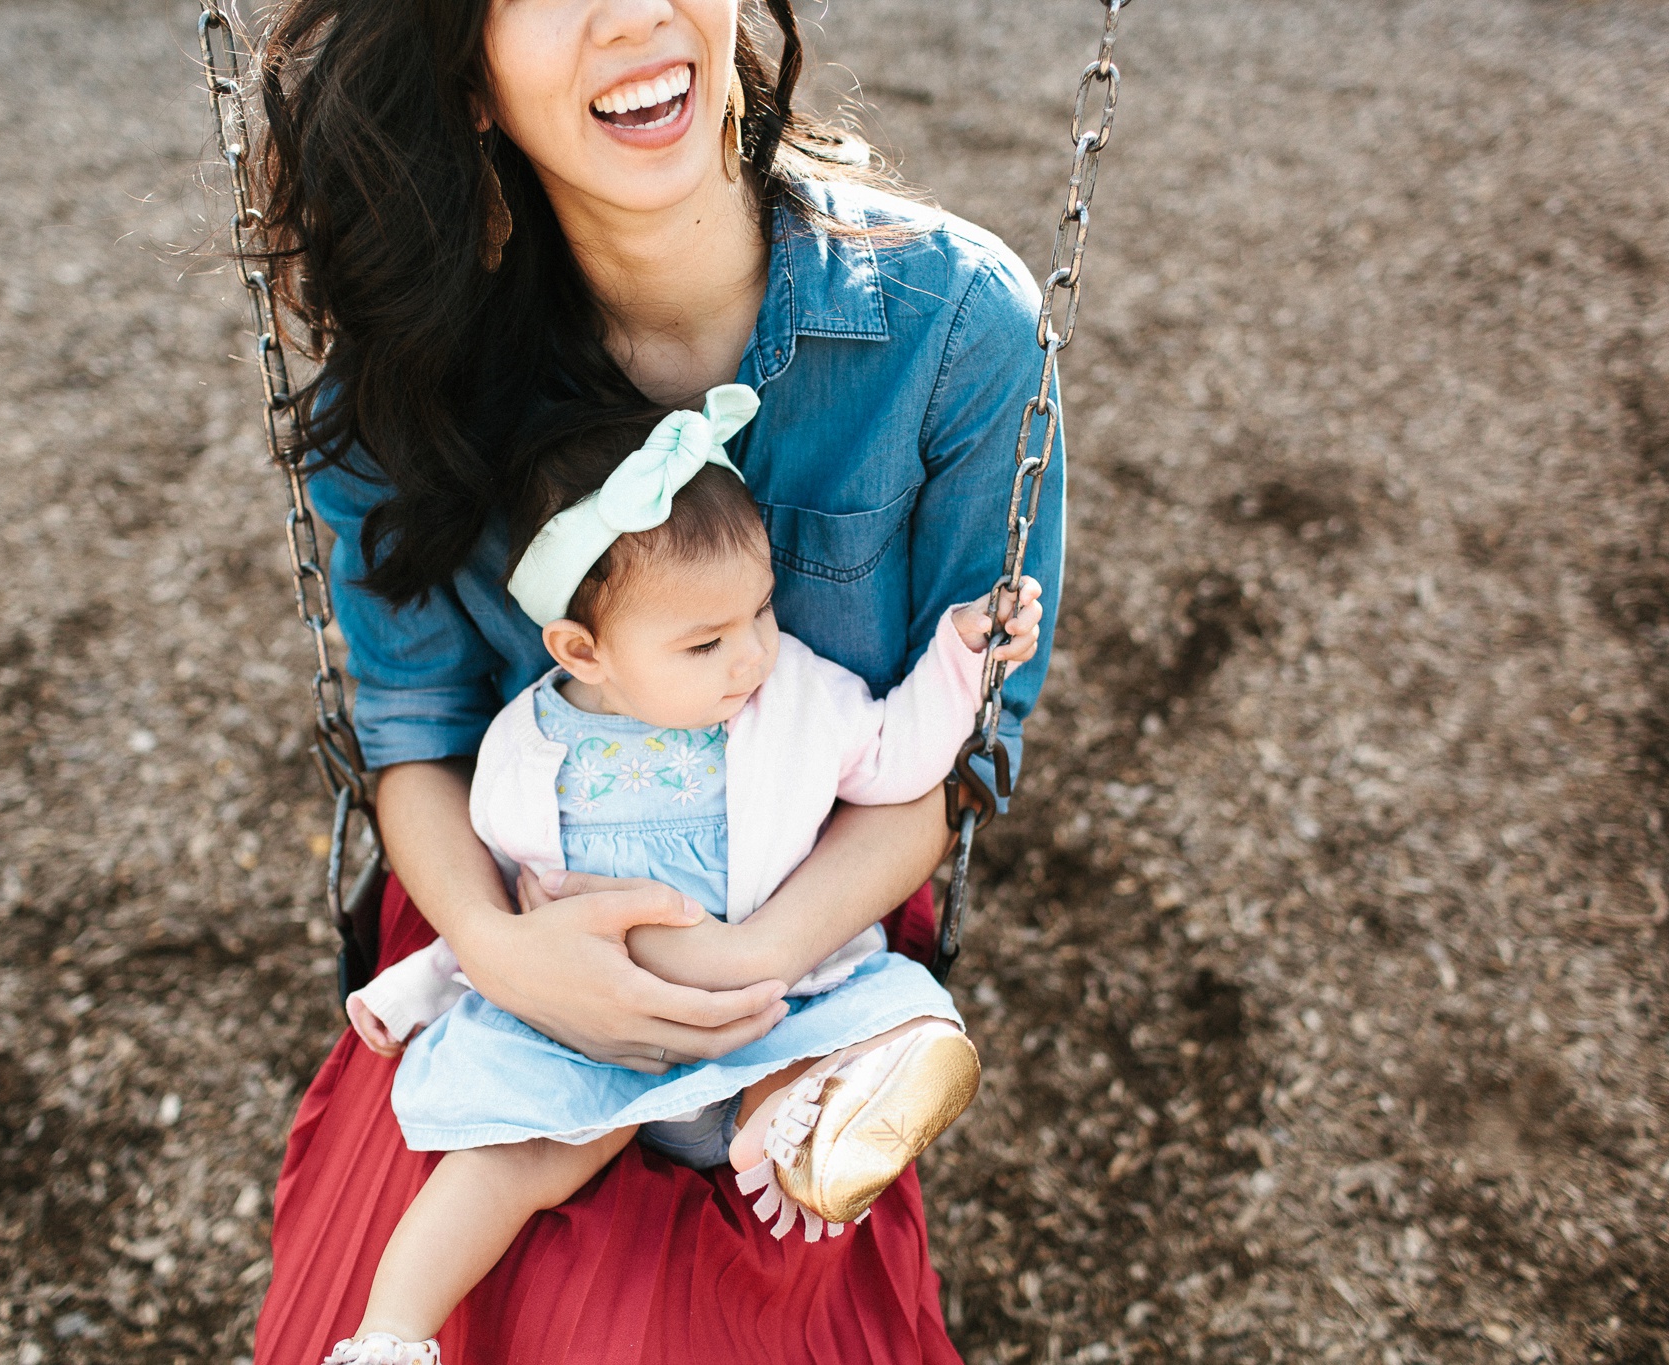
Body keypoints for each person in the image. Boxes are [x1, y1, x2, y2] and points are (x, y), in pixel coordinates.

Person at [247, 0, 1064, 1359]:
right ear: (464, 79)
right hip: (512, 913)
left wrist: (747, 959)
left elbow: (952, 755)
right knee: (453, 1261)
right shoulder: (410, 376)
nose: (632, 11)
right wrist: (507, 953)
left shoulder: (951, 333)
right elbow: (415, 739)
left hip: (804, 915)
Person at [322, 388, 1044, 1364]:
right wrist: (421, 984)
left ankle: (794, 1129)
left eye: (759, 612)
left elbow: (895, 759)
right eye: (704, 643)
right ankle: (389, 1336)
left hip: (772, 997)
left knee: (889, 1013)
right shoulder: (525, 752)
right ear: (584, 653)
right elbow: (508, 895)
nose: (749, 655)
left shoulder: (794, 699)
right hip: (586, 1027)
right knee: (500, 1164)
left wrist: (960, 664)